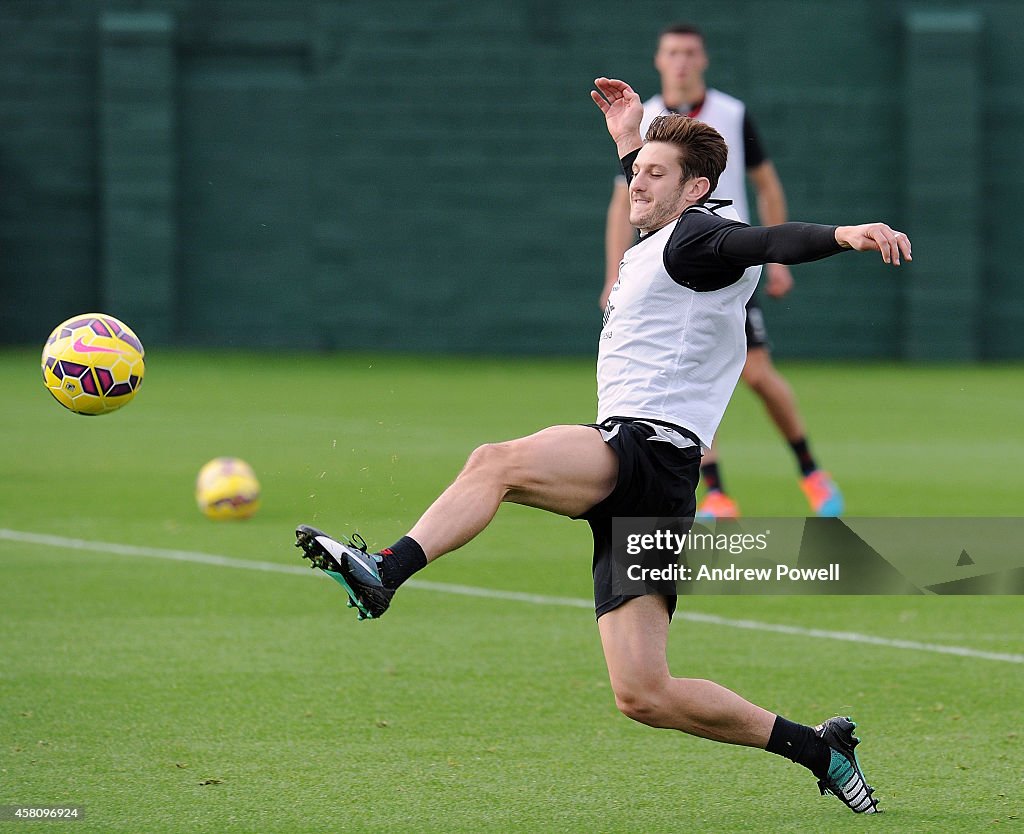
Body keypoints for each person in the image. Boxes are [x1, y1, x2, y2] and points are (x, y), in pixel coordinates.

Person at [294, 76, 910, 815]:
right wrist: (630, 137)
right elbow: (654, 186)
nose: (635, 185)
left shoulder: (700, 235)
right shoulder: (667, 232)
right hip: (661, 481)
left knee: (497, 463)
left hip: (640, 454)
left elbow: (768, 239)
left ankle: (384, 571)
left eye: (654, 175)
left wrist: (843, 235)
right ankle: (818, 748)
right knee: (643, 693)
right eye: (636, 172)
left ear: (697, 188)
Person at [602, 22, 843, 519]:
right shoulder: (643, 117)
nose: (681, 61)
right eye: (672, 52)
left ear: (703, 59)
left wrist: (774, 259)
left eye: (689, 52)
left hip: (726, 255)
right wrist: (613, 275)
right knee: (678, 373)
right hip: (665, 267)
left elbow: (767, 186)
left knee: (756, 374)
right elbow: (625, 196)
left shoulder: (731, 113)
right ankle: (714, 490)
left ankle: (810, 470)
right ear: (659, 60)